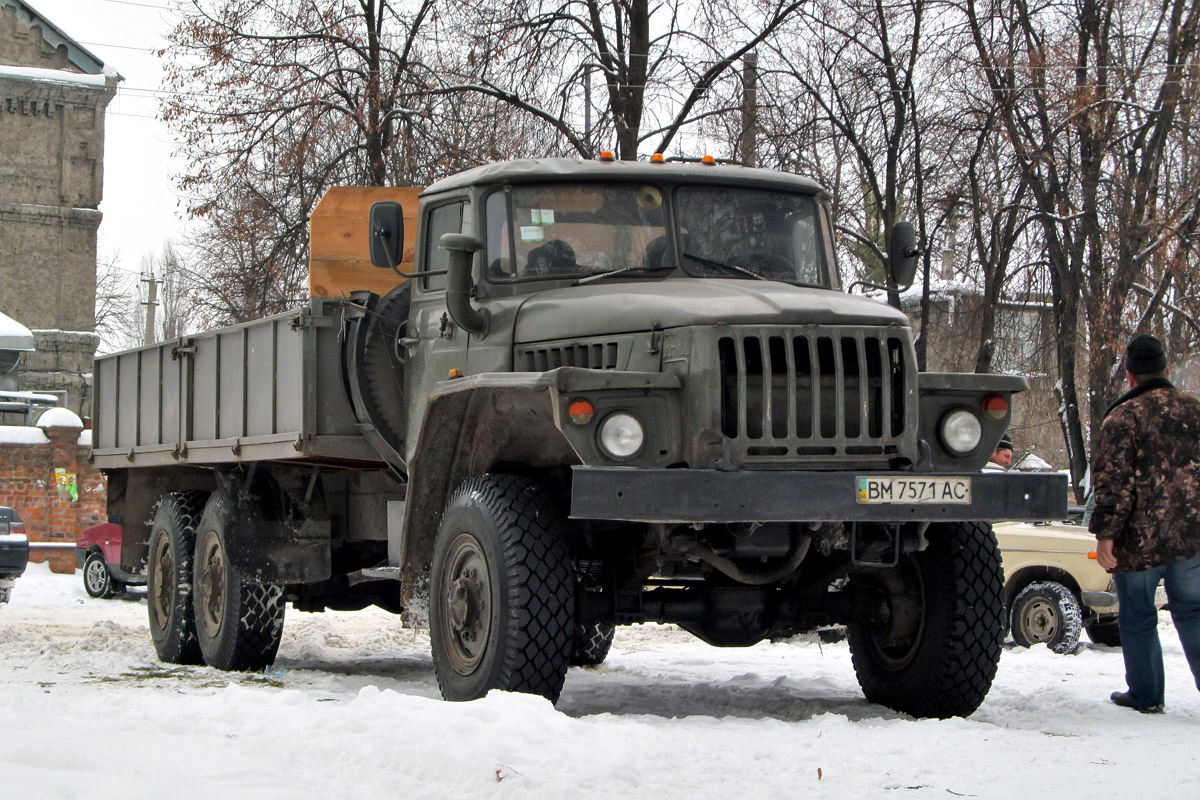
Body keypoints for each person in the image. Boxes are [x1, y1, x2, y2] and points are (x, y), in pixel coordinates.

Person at [1088, 333, 1200, 714]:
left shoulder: (1122, 417)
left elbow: (1113, 482)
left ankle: (1147, 695)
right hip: (1192, 537)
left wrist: (1106, 533)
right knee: (1193, 611)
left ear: (1130, 377)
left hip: (1138, 540)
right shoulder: (1196, 411)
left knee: (1137, 614)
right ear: (1166, 370)